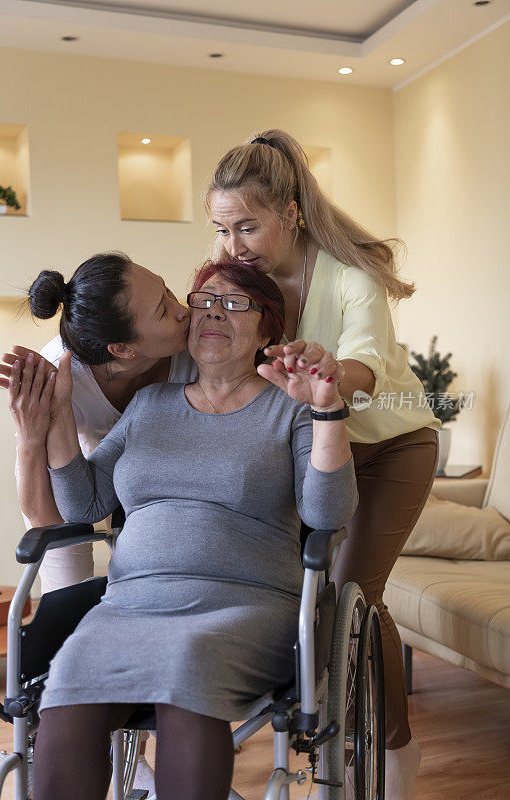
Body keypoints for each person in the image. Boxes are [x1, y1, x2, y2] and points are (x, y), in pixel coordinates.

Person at [8, 259, 357, 800]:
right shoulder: (150, 405)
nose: (214, 310)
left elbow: (329, 515)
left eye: (235, 302)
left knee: (189, 657)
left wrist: (329, 409)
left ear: (269, 329)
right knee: (71, 672)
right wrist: (54, 418)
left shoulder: (291, 410)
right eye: (204, 299)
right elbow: (85, 503)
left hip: (242, 605)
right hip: (129, 605)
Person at [206, 130, 441, 800]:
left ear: (289, 212)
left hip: (393, 445)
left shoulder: (348, 273)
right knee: (301, 595)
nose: (233, 245)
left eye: (247, 226)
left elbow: (364, 362)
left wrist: (331, 370)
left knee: (352, 597)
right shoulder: (233, 270)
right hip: (318, 451)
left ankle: (390, 752)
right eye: (222, 228)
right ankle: (326, 741)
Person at [0, 250, 195, 792]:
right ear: (123, 348)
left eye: (169, 291)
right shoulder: (59, 371)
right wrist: (39, 427)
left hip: (164, 472)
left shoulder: (190, 354)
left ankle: (141, 737)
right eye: (163, 308)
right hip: (79, 470)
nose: (183, 310)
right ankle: (73, 713)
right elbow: (47, 517)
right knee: (69, 586)